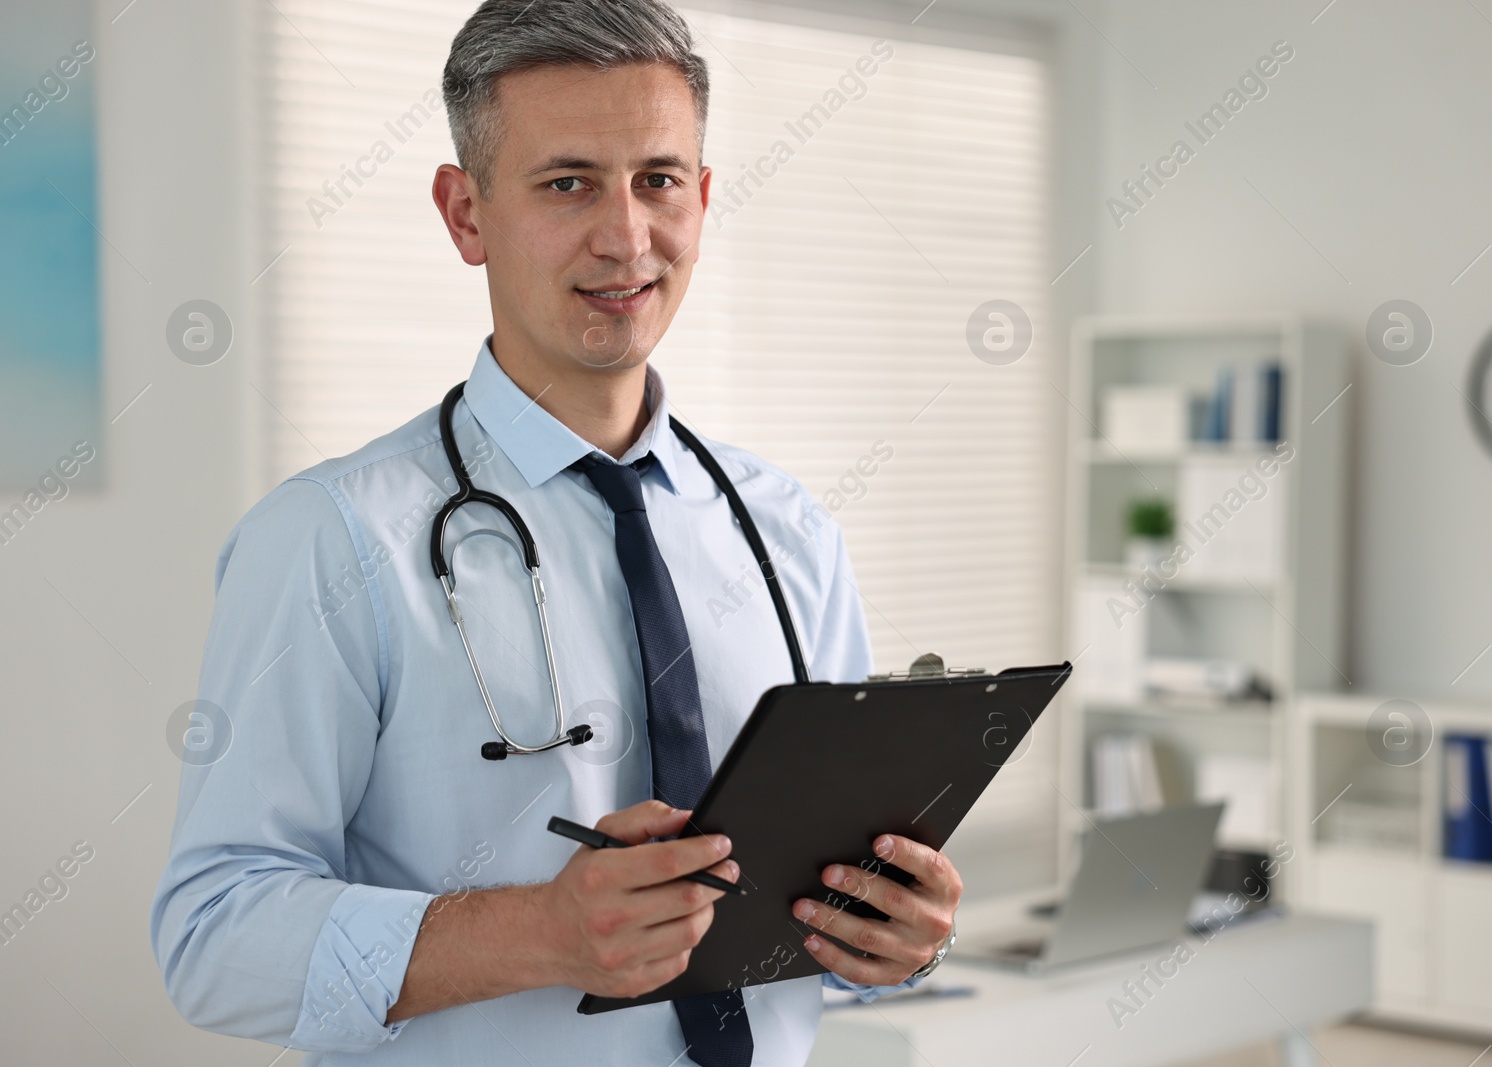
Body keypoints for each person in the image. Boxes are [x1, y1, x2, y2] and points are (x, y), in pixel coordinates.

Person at [149, 2, 961, 1064]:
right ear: (465, 212)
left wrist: (892, 933)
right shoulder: (330, 538)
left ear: (704, 200)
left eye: (658, 179)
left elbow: (825, 894)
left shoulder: (788, 529)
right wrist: (539, 931)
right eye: (567, 182)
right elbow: (213, 938)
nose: (625, 236)